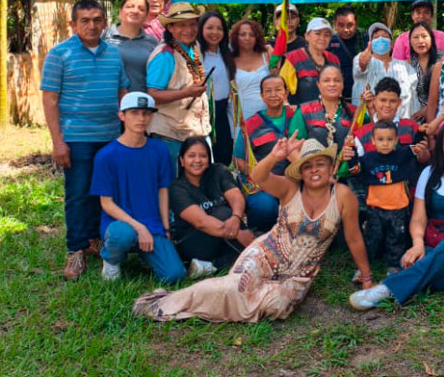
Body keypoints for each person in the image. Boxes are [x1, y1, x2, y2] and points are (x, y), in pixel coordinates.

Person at [133, 136, 374, 322]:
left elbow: (353, 239)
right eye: (308, 166)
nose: (314, 170)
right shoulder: (290, 188)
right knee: (236, 287)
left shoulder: (343, 196)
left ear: (331, 167)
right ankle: (167, 304)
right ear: (300, 170)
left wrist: (367, 279)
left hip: (298, 274)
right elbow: (259, 177)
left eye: (320, 164)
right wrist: (275, 156)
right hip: (267, 252)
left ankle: (194, 304)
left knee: (276, 306)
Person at [349, 121, 444, 310]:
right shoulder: (429, 173)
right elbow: (419, 218)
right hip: (435, 242)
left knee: (434, 257)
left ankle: (387, 289)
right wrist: (418, 243)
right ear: (440, 147)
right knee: (414, 261)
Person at [41, 0, 129, 280]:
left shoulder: (113, 54)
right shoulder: (59, 54)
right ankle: (76, 250)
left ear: (105, 22)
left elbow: (122, 92)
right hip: (77, 138)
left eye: (97, 20)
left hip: (111, 137)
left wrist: (128, 130)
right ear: (73, 24)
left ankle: (95, 241)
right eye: (85, 20)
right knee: (78, 194)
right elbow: (50, 100)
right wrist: (58, 142)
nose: (92, 25)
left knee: (105, 192)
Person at [92, 92, 186, 284]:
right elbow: (107, 204)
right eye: (134, 112)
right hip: (119, 224)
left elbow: (163, 190)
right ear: (122, 116)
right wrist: (138, 227)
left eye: (146, 113)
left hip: (151, 223)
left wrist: (165, 228)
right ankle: (112, 260)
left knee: (174, 275)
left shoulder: (159, 150)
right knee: (121, 235)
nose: (141, 118)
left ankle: (146, 255)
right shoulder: (106, 155)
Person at [170, 137, 256, 278]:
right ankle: (250, 255)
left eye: (203, 156)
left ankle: (211, 266)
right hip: (194, 240)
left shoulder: (219, 171)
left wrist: (236, 217)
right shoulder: (177, 188)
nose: (197, 160)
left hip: (225, 234)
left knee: (228, 215)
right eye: (191, 156)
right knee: (223, 213)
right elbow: (201, 222)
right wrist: (239, 233)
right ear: (181, 161)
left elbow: (236, 196)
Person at [233, 75, 305, 231]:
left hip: (295, 180)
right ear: (261, 95)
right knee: (264, 207)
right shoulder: (251, 124)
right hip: (262, 183)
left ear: (286, 93)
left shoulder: (298, 116)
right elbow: (238, 159)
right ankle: (261, 237)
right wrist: (259, 175)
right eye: (268, 91)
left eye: (278, 90)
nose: (273, 95)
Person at [146, 2, 211, 163]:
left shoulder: (194, 47)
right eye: (182, 25)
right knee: (172, 185)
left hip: (195, 132)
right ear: (170, 28)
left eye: (192, 24)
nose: (188, 30)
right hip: (170, 134)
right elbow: (152, 96)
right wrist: (187, 93)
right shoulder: (164, 55)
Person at [359, 120, 423, 275]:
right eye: (380, 140)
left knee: (397, 237)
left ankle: (394, 266)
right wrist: (350, 152)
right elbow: (354, 167)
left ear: (396, 140)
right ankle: (364, 266)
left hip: (398, 207)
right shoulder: (368, 159)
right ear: (373, 141)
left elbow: (415, 146)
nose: (385, 144)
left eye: (389, 140)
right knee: (373, 236)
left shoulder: (401, 155)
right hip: (376, 207)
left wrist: (421, 131)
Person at [352, 22, 418, 120]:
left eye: (384, 36)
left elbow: (413, 98)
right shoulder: (364, 62)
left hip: (402, 126)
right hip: (369, 126)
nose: (380, 39)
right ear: (370, 43)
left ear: (392, 44)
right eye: (376, 37)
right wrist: (366, 55)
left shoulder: (405, 67)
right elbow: (361, 64)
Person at [197, 11, 237, 167]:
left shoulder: (227, 51)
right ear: (201, 29)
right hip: (202, 112)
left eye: (219, 28)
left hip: (222, 111)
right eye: (210, 28)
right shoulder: (196, 52)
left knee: (223, 155)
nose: (215, 32)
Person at [289, 64, 359, 149]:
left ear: (342, 84)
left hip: (347, 162)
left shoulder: (355, 111)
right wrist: (313, 163)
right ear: (318, 84)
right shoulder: (304, 111)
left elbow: (370, 138)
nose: (332, 84)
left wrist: (370, 108)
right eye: (326, 80)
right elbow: (292, 148)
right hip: (312, 161)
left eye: (337, 80)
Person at [104, 0, 158, 93]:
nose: (135, 11)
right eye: (130, 7)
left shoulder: (152, 42)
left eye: (141, 9)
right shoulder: (104, 37)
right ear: (120, 12)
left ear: (146, 16)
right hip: (109, 103)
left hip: (140, 104)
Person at [280, 17, 340, 106]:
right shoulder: (293, 58)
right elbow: (281, 90)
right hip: (301, 116)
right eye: (317, 34)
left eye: (326, 35)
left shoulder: (334, 59)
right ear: (307, 36)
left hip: (329, 115)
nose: (322, 38)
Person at [230, 18, 270, 120]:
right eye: (243, 34)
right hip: (238, 116)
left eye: (252, 35)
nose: (247, 38)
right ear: (236, 37)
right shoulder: (228, 59)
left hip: (266, 114)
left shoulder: (267, 54)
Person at [328, 6, 366, 103]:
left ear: (356, 24)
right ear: (335, 24)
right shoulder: (328, 42)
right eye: (341, 25)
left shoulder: (365, 39)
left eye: (350, 25)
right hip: (336, 95)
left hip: (361, 95)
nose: (346, 30)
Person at [406, 22, 442, 121]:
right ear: (410, 41)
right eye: (416, 37)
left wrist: (428, 109)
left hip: (441, 114)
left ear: (431, 39)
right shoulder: (409, 64)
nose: (420, 41)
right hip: (416, 116)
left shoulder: (443, 60)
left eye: (424, 36)